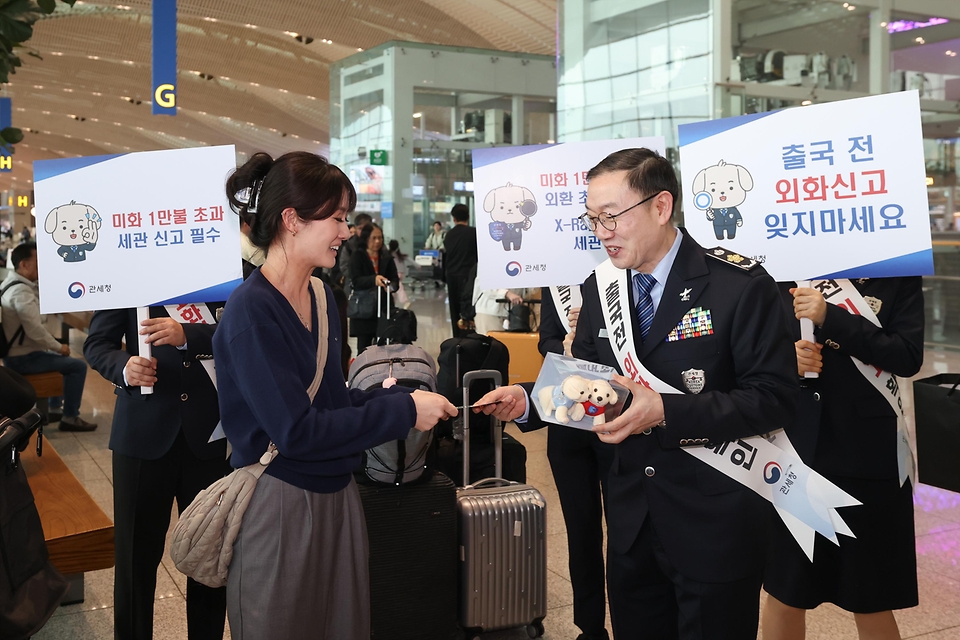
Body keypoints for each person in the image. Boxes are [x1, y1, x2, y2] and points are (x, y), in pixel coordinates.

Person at [474, 148, 798, 640]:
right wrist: (527, 400)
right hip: (631, 521)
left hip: (714, 521)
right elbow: (587, 382)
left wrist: (666, 410)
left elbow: (773, 398)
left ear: (661, 206)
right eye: (592, 218)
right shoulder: (600, 288)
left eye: (611, 216)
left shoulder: (739, 286)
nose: (600, 231)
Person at [212, 151, 456, 639]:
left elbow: (333, 404)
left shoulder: (323, 297)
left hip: (338, 493)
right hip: (278, 502)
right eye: (338, 218)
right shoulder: (251, 313)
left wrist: (404, 402)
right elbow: (297, 432)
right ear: (292, 221)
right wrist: (403, 410)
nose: (346, 231)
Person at [761, 277, 923, 640]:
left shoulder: (896, 274)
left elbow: (908, 355)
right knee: (785, 593)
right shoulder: (781, 269)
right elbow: (745, 351)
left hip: (868, 456)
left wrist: (829, 317)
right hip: (793, 455)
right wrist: (786, 360)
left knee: (871, 597)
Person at [84, 304, 229, 637]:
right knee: (135, 559)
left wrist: (187, 335)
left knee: (208, 557)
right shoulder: (128, 275)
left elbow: (240, 332)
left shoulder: (219, 268)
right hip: (141, 436)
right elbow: (96, 344)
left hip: (210, 435)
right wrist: (124, 367)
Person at [538, 286, 613, 640]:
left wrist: (590, 338)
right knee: (581, 531)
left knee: (626, 534)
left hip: (614, 415)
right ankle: (590, 627)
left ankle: (632, 622)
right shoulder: (556, 280)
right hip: (568, 423)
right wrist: (567, 348)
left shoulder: (625, 269)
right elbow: (546, 341)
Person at [1, 242, 97, 431]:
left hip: (16, 354)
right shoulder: (20, 292)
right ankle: (70, 417)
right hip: (22, 358)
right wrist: (58, 347)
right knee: (77, 365)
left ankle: (54, 408)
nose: (41, 265)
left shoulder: (10, 284)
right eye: (37, 261)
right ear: (24, 265)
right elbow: (34, 330)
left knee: (61, 359)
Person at [348, 223, 399, 353]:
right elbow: (355, 280)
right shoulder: (357, 256)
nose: (377, 241)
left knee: (384, 343)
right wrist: (373, 280)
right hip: (364, 307)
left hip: (384, 306)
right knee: (364, 346)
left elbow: (395, 280)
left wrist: (391, 287)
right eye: (373, 238)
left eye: (380, 238)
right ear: (365, 239)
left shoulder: (386, 257)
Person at [443, 204, 477, 337]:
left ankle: (457, 339)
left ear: (454, 218)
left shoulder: (449, 235)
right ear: (468, 216)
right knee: (469, 309)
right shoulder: (474, 233)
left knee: (455, 310)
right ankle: (471, 338)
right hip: (469, 277)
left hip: (452, 276)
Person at [338, 212, 373, 289]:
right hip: (353, 284)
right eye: (360, 228)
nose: (363, 231)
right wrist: (357, 275)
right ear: (356, 228)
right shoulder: (349, 245)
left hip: (374, 284)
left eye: (366, 228)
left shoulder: (377, 243)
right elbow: (344, 266)